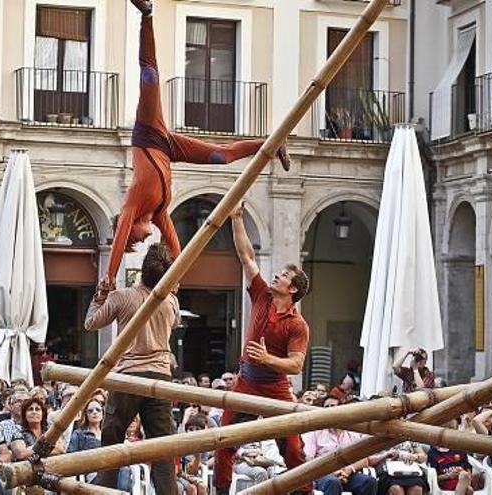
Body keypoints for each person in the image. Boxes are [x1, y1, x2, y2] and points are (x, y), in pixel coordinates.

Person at [102, 0, 290, 288]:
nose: (143, 239)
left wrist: (109, 278)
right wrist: (176, 279)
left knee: (149, 77)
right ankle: (271, 143)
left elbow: (118, 239)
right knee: (222, 157)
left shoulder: (134, 202)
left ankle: (147, 15)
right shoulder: (160, 210)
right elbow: (175, 244)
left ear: (127, 230)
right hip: (168, 148)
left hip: (149, 134)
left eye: (135, 241)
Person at [213, 202, 312, 494]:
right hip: (246, 381)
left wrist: (268, 358)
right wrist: (237, 217)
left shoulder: (298, 324)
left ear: (292, 289)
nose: (276, 275)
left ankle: (305, 491)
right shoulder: (262, 295)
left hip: (276, 388)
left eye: (283, 275)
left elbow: (296, 365)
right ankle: (221, 491)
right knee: (224, 443)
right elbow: (246, 256)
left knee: (293, 451)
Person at [85, 242, 180, 494]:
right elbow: (174, 323)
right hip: (160, 376)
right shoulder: (171, 301)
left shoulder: (124, 296)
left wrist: (100, 297)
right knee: (162, 448)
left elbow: (90, 323)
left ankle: (103, 492)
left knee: (111, 440)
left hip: (129, 375)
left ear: (142, 270)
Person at [302, 397, 380, 495]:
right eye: (326, 407)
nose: (330, 409)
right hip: (323, 473)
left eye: (333, 406)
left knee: (369, 482)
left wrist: (349, 470)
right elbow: (309, 459)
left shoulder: (352, 432)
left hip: (347, 473)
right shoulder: (316, 432)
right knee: (333, 482)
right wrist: (333, 472)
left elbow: (364, 459)